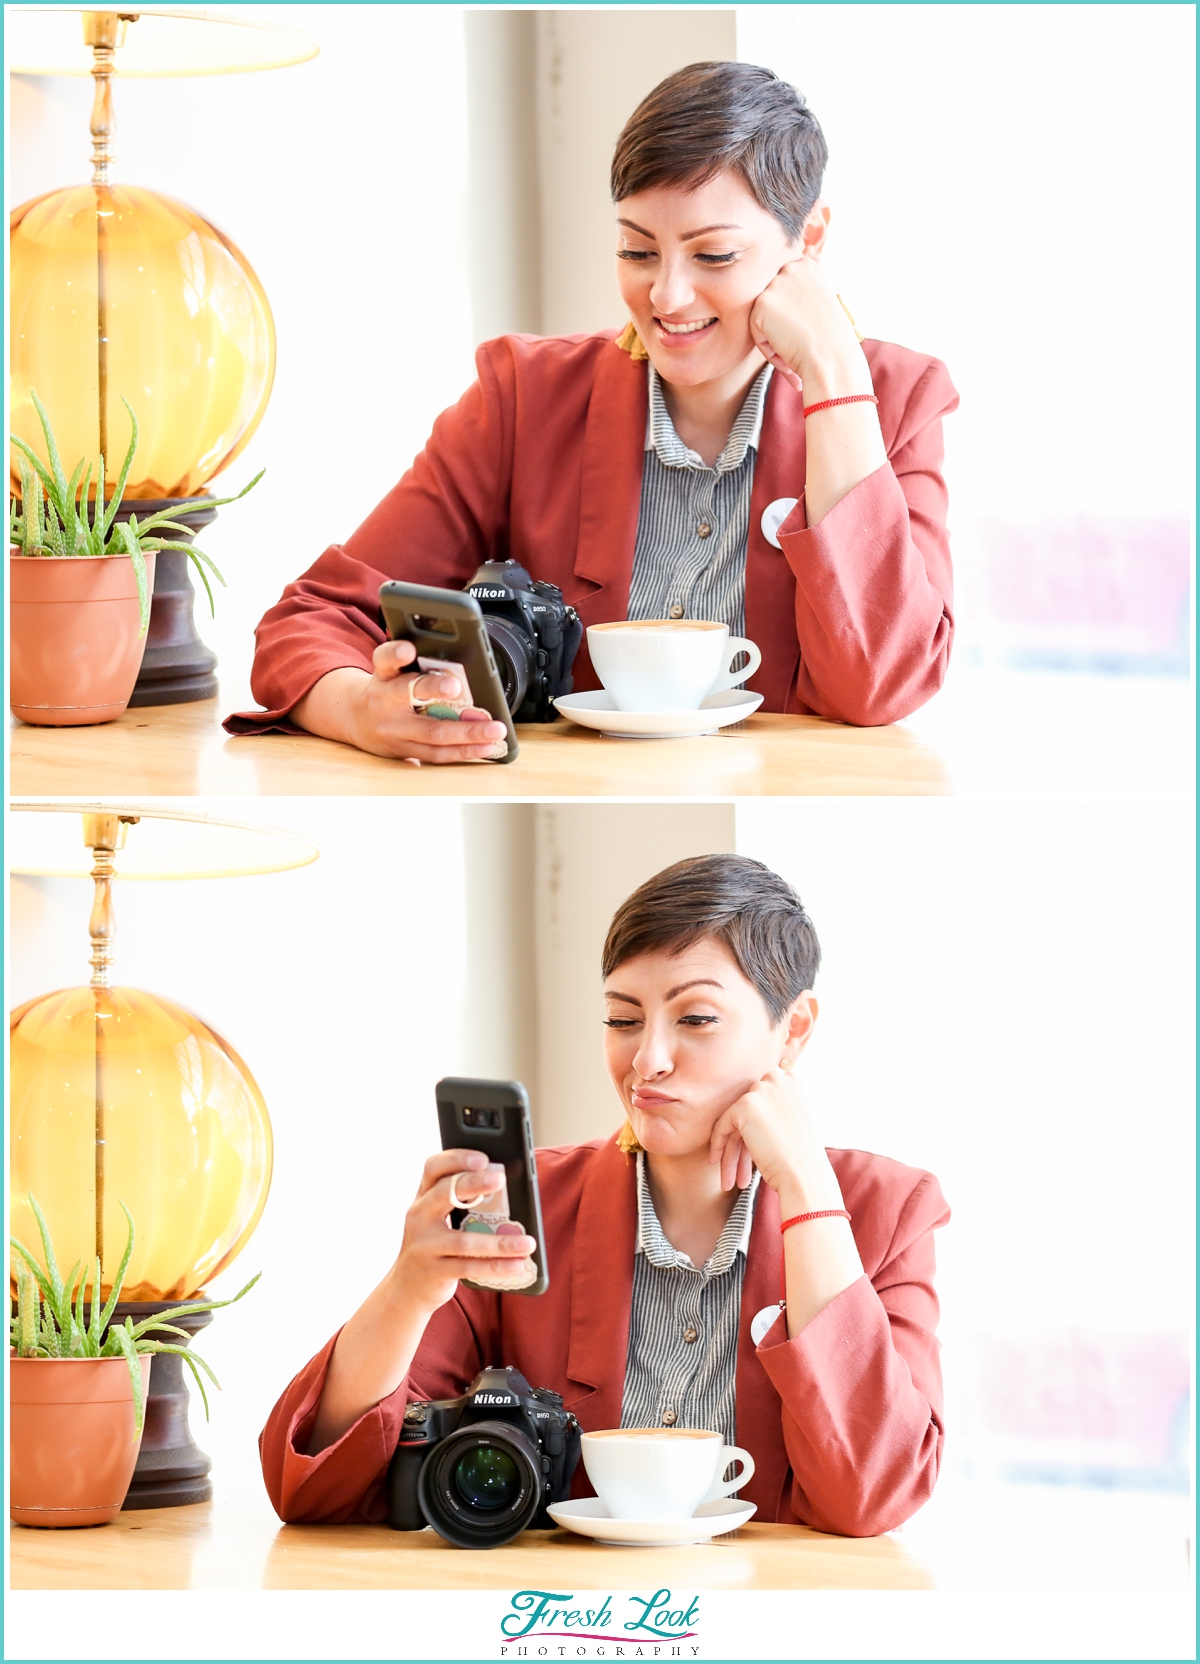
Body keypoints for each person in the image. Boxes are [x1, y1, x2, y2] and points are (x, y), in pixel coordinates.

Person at [228, 62, 958, 760]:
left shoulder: (893, 401)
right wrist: (363, 709)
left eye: (714, 257)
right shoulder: (526, 397)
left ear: (809, 241)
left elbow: (881, 684)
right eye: (638, 252)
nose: (667, 298)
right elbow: (311, 621)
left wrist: (834, 373)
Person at [260, 855, 950, 1536]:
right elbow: (315, 1487)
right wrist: (408, 1288)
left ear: (793, 1028)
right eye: (623, 1020)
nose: (646, 1060)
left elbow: (876, 1493)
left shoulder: (889, 1210)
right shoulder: (524, 1208)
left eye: (697, 1018)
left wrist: (806, 1189)